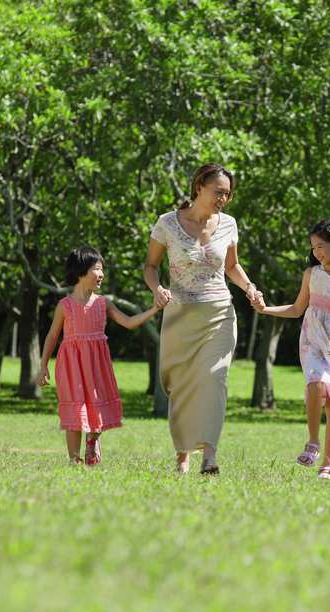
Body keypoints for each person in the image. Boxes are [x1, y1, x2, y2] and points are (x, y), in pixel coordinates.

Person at [143, 164, 262, 475]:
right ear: (199, 187)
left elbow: (232, 267)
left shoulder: (229, 225)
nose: (223, 198)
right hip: (179, 315)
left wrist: (249, 287)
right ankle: (183, 453)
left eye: (227, 194)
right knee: (181, 385)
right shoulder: (167, 223)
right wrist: (157, 289)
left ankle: (209, 456)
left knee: (214, 380)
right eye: (218, 192)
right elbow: (151, 266)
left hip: (219, 313)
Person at [255, 220, 330, 479]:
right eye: (313, 247)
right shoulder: (311, 275)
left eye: (321, 246)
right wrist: (265, 309)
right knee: (315, 382)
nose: (316, 252)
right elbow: (296, 308)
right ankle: (313, 440)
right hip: (312, 338)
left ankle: (327, 465)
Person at [37, 246, 160, 465]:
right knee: (75, 411)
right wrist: (43, 365)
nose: (102, 274)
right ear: (81, 271)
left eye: (102, 269)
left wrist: (154, 309)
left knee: (98, 407)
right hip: (71, 366)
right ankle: (74, 460)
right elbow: (52, 336)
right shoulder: (65, 306)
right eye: (97, 269)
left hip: (97, 366)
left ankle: (92, 442)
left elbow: (129, 322)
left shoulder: (103, 303)